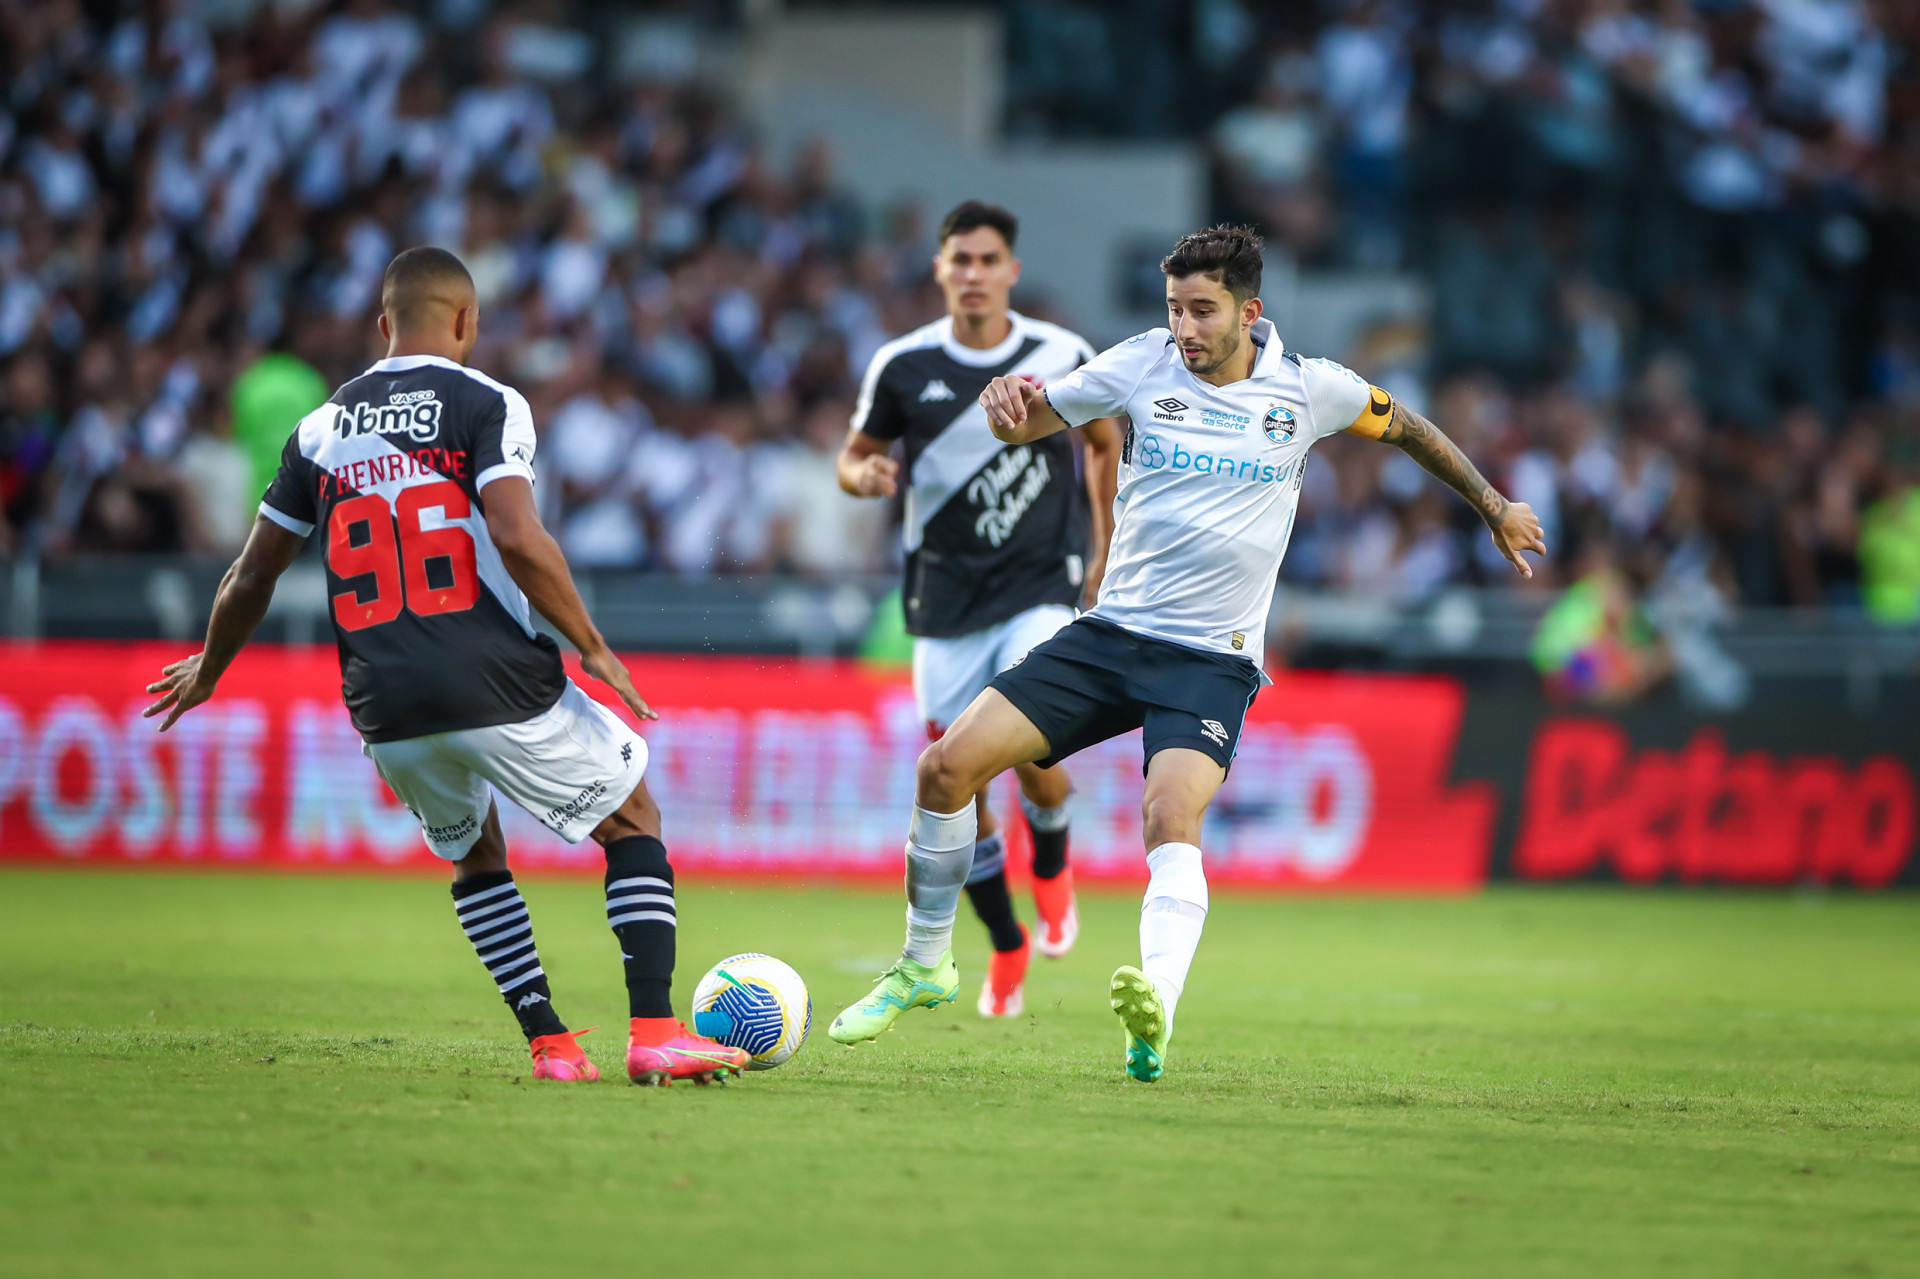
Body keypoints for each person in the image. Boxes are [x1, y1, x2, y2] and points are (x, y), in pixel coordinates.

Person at [829, 226, 1545, 1080]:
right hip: (1109, 636)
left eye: (1202, 311)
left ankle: (1155, 1007)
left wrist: (1494, 504)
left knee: (1170, 815)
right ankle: (925, 963)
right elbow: (1037, 421)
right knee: (944, 769)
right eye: (1175, 309)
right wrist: (1007, 413)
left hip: (1209, 660)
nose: (1186, 328)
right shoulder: (1141, 363)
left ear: (1251, 311)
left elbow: (1411, 429)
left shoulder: (1312, 390)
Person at [143, 247, 749, 1087]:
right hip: (491, 672)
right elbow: (515, 531)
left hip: (384, 701)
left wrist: (210, 667)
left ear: (384, 324)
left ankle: (552, 1045)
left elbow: (252, 571)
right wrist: (592, 643)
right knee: (632, 819)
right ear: (466, 321)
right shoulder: (487, 402)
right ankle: (653, 1030)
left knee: (475, 855)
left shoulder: (318, 430)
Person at [837, 201, 1121, 1017]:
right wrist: (864, 478)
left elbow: (1101, 443)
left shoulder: (1059, 354)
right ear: (939, 270)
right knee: (960, 785)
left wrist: (1102, 547)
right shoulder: (901, 365)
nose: (972, 274)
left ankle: (1055, 858)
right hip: (944, 601)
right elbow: (853, 458)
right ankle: (1004, 943)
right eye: (959, 259)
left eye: (987, 259)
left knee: (1029, 742)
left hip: (1040, 584)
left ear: (1011, 272)